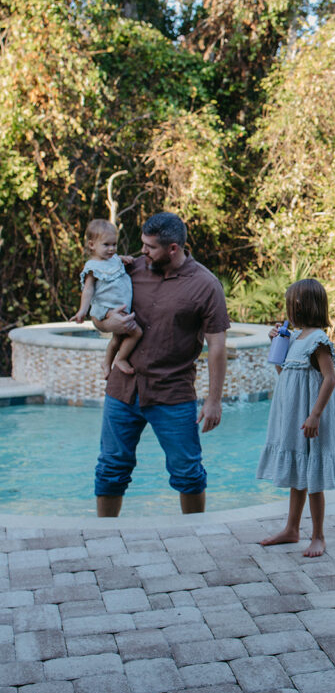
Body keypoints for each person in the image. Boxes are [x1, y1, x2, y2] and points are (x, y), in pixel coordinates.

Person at [94, 212, 229, 517]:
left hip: (172, 393)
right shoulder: (127, 270)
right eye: (142, 244)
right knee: (110, 469)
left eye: (150, 247)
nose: (143, 252)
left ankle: (195, 534)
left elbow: (217, 346)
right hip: (122, 388)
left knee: (188, 473)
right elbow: (98, 314)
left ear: (173, 248)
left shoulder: (206, 286)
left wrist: (214, 400)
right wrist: (105, 324)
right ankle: (104, 536)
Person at [257, 278, 335, 557]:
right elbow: (285, 375)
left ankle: (318, 536)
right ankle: (292, 529)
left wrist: (315, 415)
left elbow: (330, 379)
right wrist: (277, 344)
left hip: (311, 416)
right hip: (292, 416)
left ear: (299, 306)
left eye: (289, 304)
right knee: (299, 473)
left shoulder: (318, 340)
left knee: (313, 477)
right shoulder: (295, 338)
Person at [71, 219, 143, 377]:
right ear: (92, 245)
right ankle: (121, 359)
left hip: (119, 306)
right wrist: (82, 310)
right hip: (106, 307)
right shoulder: (92, 267)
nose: (111, 249)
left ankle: (106, 363)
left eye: (114, 244)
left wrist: (123, 258)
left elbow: (116, 261)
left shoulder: (114, 259)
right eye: (106, 245)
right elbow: (88, 289)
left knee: (117, 339)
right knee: (136, 332)